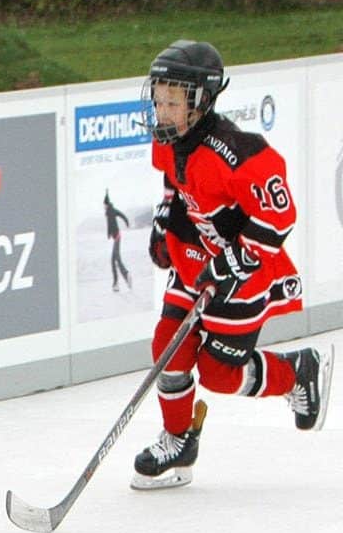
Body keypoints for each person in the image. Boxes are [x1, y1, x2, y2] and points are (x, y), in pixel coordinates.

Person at [133, 39, 333, 489]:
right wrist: (167, 221)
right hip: (195, 259)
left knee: (221, 376)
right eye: (159, 98)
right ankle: (179, 441)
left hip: (244, 275)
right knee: (168, 345)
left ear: (201, 101)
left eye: (173, 101)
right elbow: (174, 184)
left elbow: (278, 216)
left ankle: (297, 372)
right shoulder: (169, 138)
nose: (162, 110)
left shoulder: (241, 152)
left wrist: (233, 262)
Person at [103, 190, 132, 292]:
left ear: (106, 204)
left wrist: (127, 222)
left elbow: (120, 215)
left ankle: (125, 275)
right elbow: (111, 223)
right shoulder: (110, 211)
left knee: (117, 259)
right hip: (116, 236)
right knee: (113, 260)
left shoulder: (110, 211)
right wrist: (109, 233)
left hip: (117, 237)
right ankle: (116, 284)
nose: (103, 206)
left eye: (104, 205)